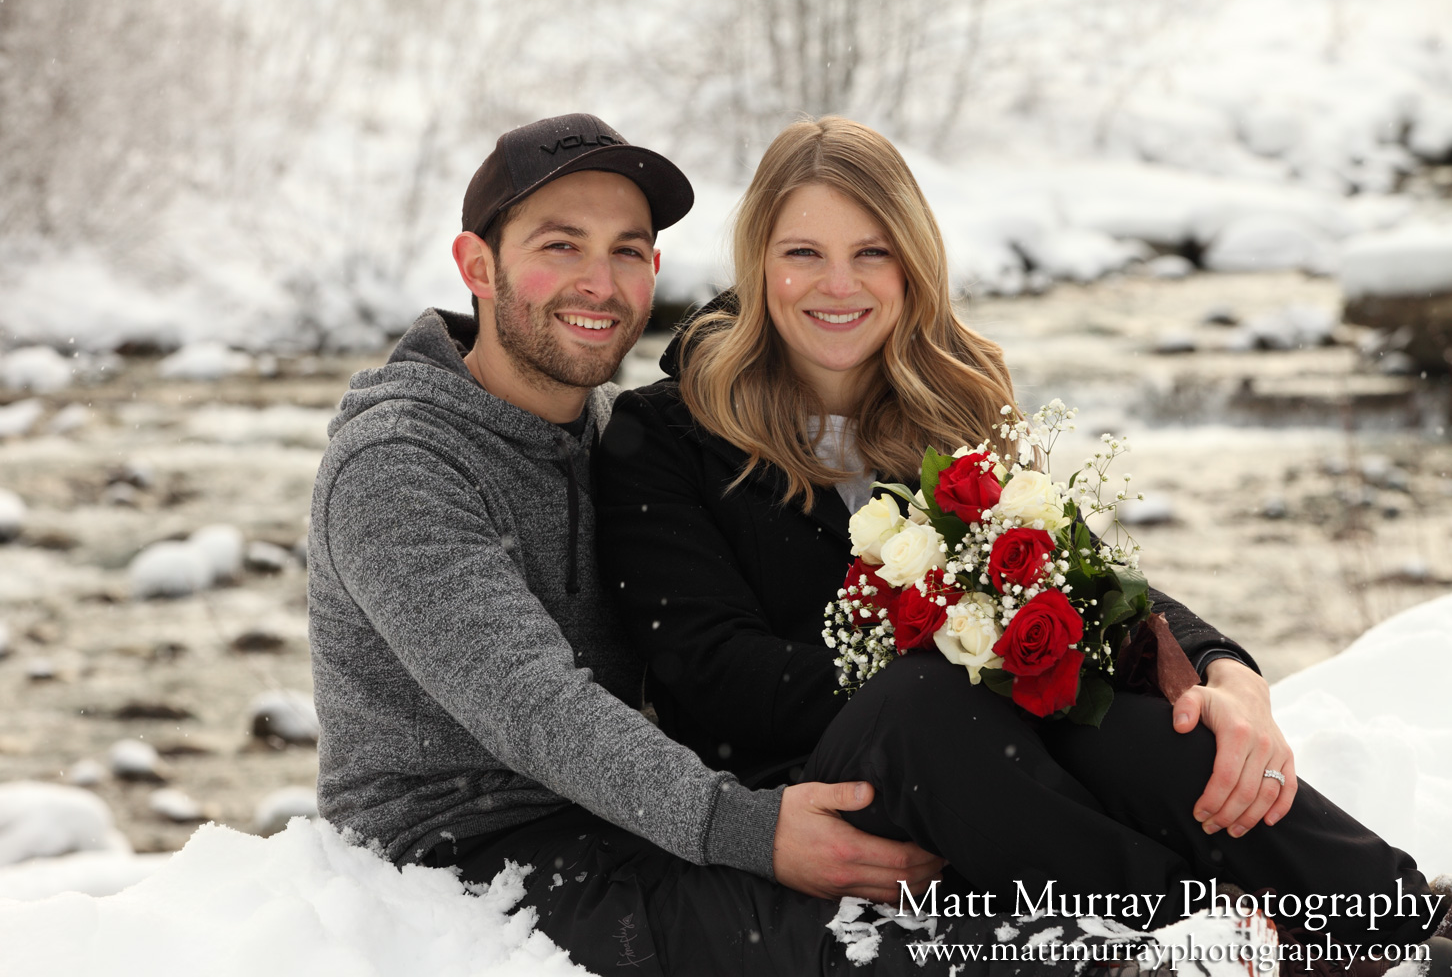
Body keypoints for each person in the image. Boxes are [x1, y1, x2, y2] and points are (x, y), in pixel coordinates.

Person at [593, 115, 1452, 968]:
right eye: (803, 252)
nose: (838, 283)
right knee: (929, 705)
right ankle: (1198, 934)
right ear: (759, 262)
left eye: (872, 251)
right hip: (813, 791)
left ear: (911, 263)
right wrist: (962, 645)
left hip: (990, 767)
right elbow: (710, 675)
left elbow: (1080, 575)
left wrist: (1224, 667)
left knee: (1131, 725)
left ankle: (1397, 925)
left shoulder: (953, 403)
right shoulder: (668, 433)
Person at [307, 112, 1106, 977]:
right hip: (469, 857)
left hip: (634, 813)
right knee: (926, 952)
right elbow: (535, 705)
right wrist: (754, 831)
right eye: (560, 246)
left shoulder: (610, 432)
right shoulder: (400, 463)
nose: (598, 283)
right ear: (477, 266)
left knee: (969, 894)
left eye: (625, 251)